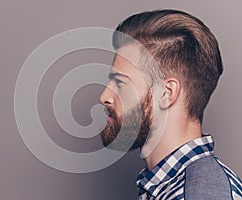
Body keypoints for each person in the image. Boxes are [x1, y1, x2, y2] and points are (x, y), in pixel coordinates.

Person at [99, 9, 242, 199]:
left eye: (121, 83)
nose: (104, 96)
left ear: (167, 93)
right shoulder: (166, 186)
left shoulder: (198, 194)